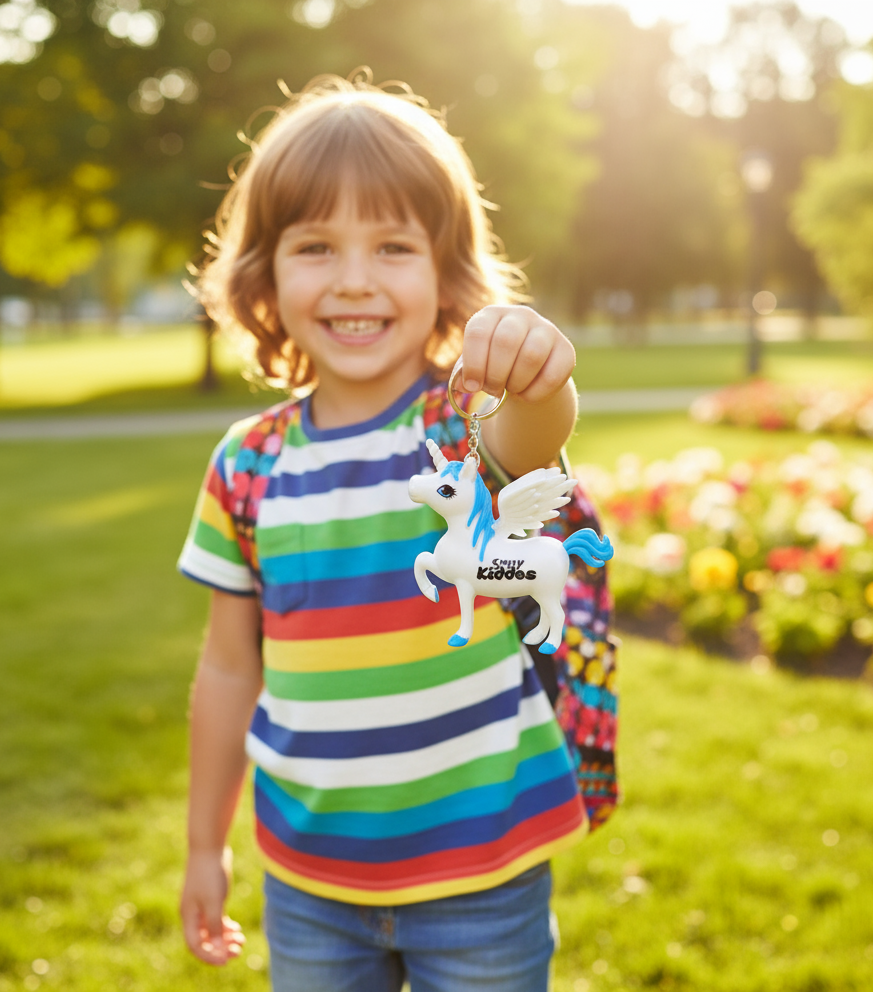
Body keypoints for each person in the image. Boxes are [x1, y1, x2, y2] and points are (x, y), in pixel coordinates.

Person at [177, 72, 615, 992]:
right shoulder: (248, 464)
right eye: (315, 246)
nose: (353, 280)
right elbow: (226, 667)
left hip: (482, 872)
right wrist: (203, 846)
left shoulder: (462, 431)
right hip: (309, 882)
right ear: (265, 274)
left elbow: (534, 441)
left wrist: (542, 381)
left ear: (446, 271)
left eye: (392, 245)